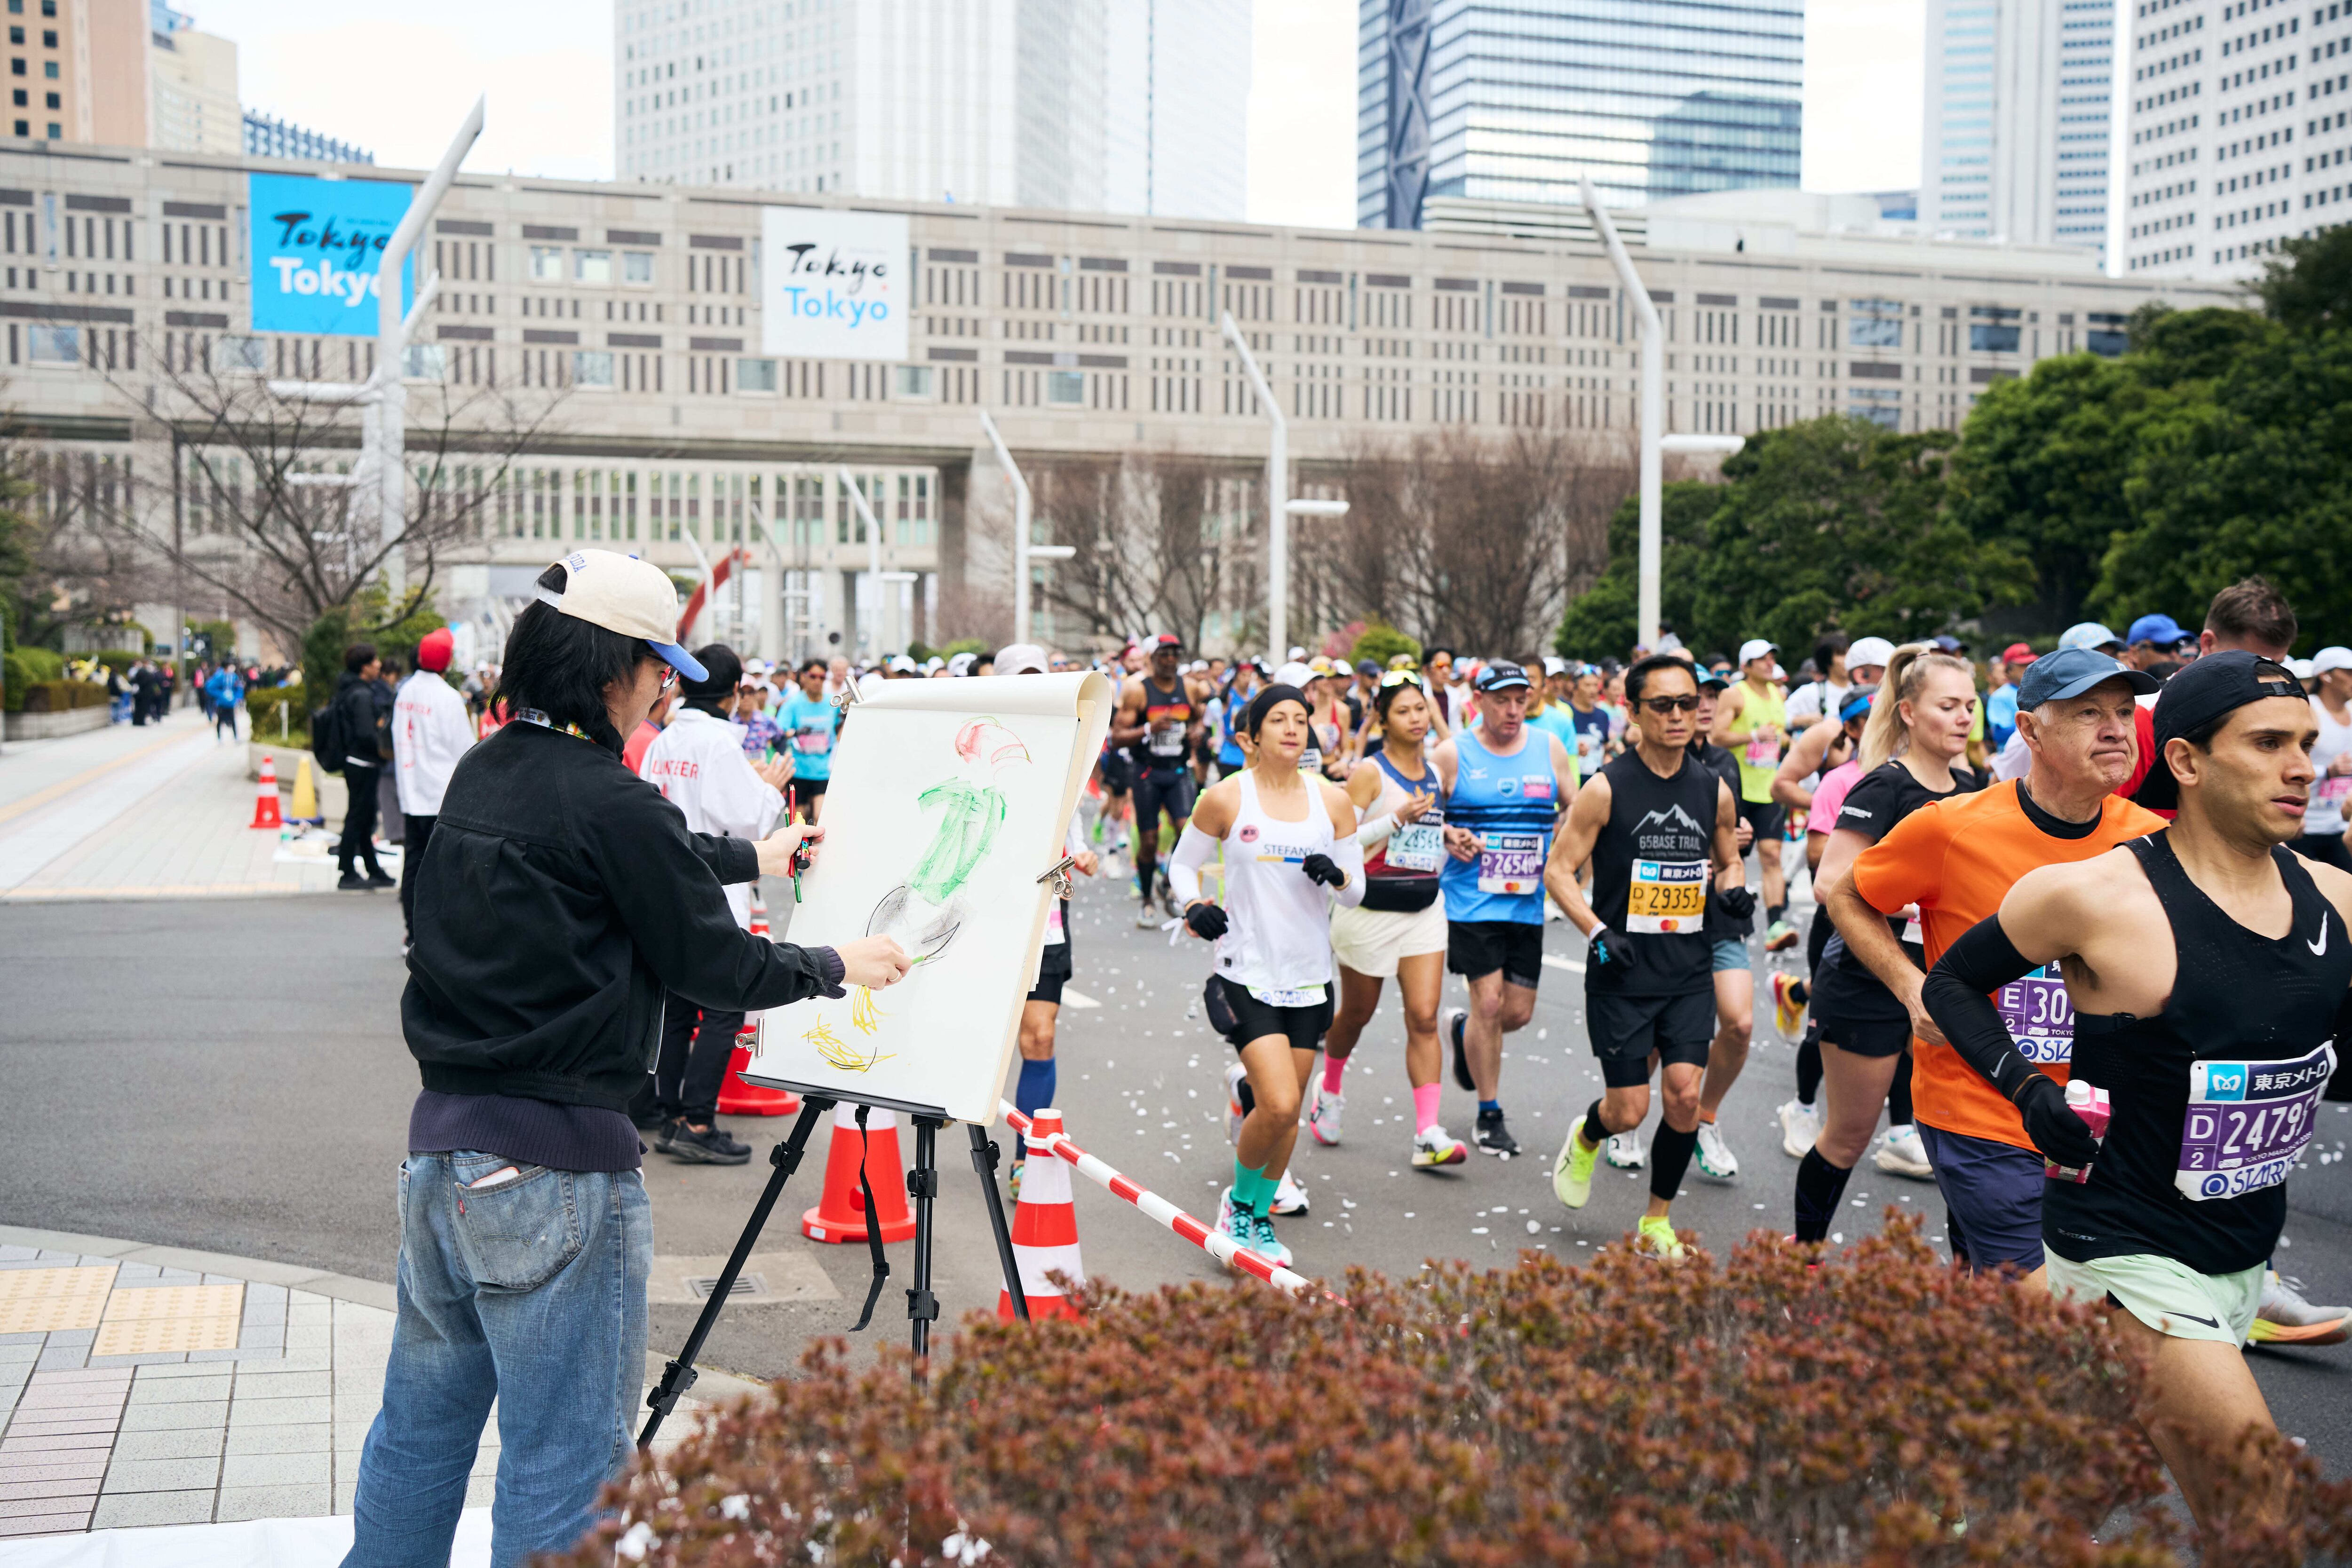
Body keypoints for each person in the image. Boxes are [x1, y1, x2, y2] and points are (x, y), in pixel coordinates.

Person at [347, 549, 912, 1568]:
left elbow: (625, 857)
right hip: (556, 1168)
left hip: (440, 1158)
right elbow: (713, 961)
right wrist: (836, 963)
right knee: (564, 1457)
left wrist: (754, 855)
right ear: (612, 667)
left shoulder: (490, 768)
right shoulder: (609, 797)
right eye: (657, 667)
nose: (663, 688)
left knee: (419, 1428)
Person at [1922, 651, 2352, 1529]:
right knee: (2260, 1511)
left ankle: (1956, 1458)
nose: (2303, 768)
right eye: (2268, 743)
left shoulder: (2337, 898)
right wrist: (2027, 1091)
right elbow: (1951, 983)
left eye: (2307, 743)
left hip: (2243, 1249)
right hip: (2128, 1249)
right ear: (2186, 760)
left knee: (2067, 1471)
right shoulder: (2096, 895)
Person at [1830, 645, 2163, 1279]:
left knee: (2008, 1296)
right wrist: (1909, 985)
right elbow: (1847, 894)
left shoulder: (2150, 841)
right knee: (2047, 1298)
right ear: (2030, 731)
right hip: (1978, 1109)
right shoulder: (1950, 828)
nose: (2116, 729)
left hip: (2099, 1116)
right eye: (2089, 713)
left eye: (2124, 712)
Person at [1546, 655, 1746, 1259]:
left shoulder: (1712, 788)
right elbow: (1558, 871)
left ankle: (1656, 1219)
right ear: (1632, 712)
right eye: (1662, 705)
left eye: (1688, 702)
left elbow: (1729, 858)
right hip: (1622, 971)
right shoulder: (1605, 788)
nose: (1679, 715)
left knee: (1684, 1095)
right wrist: (1595, 930)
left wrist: (1732, 889)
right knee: (1628, 1110)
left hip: (1687, 971)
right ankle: (1588, 1135)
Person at [1168, 683, 1366, 1268]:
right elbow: (1181, 865)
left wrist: (1336, 875)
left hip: (1308, 975)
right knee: (1277, 1104)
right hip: (1245, 970)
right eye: (1277, 719)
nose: (1291, 728)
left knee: (1288, 1113)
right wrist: (1192, 905)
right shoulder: (1226, 797)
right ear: (1249, 737)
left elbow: (1355, 892)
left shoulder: (1332, 802)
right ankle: (1236, 1205)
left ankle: (1256, 1216)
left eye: (1300, 719)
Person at [1791, 647, 1986, 1239]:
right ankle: (1802, 1257)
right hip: (1867, 980)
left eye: (1969, 706)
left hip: (1948, 983)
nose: (1962, 718)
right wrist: (1922, 901)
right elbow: (1829, 883)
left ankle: (1971, 1275)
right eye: (1947, 706)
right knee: (1848, 1135)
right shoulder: (1882, 786)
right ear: (1907, 711)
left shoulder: (1973, 787)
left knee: (1959, 1139)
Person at [634, 643, 800, 1164]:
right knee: (726, 1006)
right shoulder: (719, 744)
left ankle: (669, 1112)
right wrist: (768, 788)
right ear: (733, 693)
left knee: (679, 1007)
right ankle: (697, 1121)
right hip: (712, 887)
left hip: (664, 886)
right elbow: (748, 822)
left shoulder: (664, 740)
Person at [1313, 673, 1468, 1168]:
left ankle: (1428, 1133)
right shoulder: (1369, 772)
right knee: (1357, 1014)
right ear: (1382, 718)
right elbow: (1341, 840)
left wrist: (1448, 834)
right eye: (1403, 711)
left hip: (1423, 908)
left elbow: (1426, 828)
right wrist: (1394, 820)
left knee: (1423, 1016)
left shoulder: (1435, 771)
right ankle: (1329, 1089)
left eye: (1420, 708)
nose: (1416, 719)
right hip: (1369, 910)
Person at [1435, 662, 1580, 1157]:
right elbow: (1421, 814)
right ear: (1479, 701)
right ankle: (1489, 1112)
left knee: (1515, 1013)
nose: (1513, 710)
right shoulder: (1452, 753)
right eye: (1502, 700)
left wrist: (1564, 842)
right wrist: (1447, 833)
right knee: (1491, 1005)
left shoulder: (1548, 747)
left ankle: (1463, 1033)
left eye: (1521, 700)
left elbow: (1575, 805)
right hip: (1470, 900)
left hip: (1526, 900)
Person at [996, 643, 1101, 1198]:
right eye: (1022, 680)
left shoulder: (1070, 746)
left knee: (1038, 1036)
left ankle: (1025, 1157)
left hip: (1046, 917)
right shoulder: (978, 741)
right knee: (979, 1033)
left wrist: (1082, 854)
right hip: (986, 917)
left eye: (1039, 679)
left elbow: (1072, 827)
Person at [1770, 684, 1875, 1158]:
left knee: (1899, 1024)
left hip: (1903, 924)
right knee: (1826, 1021)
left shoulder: (1917, 778)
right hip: (1838, 919)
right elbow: (1818, 858)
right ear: (1851, 728)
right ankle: (1803, 1106)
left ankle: (1900, 1130)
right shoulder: (1839, 781)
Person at [391, 629, 476, 955]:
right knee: (442, 869)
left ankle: (412, 934)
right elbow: (465, 750)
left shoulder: (405, 692)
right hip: (442, 795)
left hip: (411, 791)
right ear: (448, 661)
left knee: (413, 864)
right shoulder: (449, 698)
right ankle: (436, 936)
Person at [1711, 638, 1797, 949]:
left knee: (1772, 855)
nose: (1770, 663)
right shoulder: (1735, 694)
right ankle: (1726, 919)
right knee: (1731, 856)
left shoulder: (1777, 694)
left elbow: (1777, 734)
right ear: (1746, 666)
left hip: (1769, 789)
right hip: (1737, 790)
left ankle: (1775, 924)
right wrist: (1752, 736)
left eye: (1772, 657)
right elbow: (1716, 736)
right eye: (1763, 659)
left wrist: (1793, 745)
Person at [1113, 634, 1203, 925]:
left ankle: (1167, 882)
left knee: (1186, 830)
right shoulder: (1138, 690)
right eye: (1164, 654)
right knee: (1149, 841)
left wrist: (1197, 733)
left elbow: (1199, 720)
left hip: (1178, 770)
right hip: (1147, 773)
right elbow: (1117, 738)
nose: (1170, 660)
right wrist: (1150, 729)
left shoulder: (1190, 688)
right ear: (1152, 658)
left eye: (1174, 654)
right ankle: (1147, 899)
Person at [331, 644, 396, 893]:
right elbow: (366, 734)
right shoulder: (361, 695)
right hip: (362, 764)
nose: (379, 665)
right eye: (374, 661)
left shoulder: (353, 690)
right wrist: (383, 740)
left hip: (358, 763)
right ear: (364, 667)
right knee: (358, 818)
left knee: (365, 817)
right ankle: (347, 871)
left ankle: (373, 869)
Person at [2296, 645, 2352, 870]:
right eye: (2348, 672)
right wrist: (2327, 771)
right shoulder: (2308, 709)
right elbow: (2285, 763)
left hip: (2341, 825)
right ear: (2325, 675)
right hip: (2305, 825)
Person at [778, 658, 842, 821]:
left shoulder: (832, 703)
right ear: (804, 677)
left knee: (821, 817)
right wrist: (795, 733)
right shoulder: (793, 704)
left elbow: (841, 728)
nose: (817, 681)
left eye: (822, 677)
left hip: (823, 770)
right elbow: (780, 730)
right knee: (798, 821)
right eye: (813, 676)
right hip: (798, 770)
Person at [204, 658, 244, 743]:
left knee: (233, 720)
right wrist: (221, 695)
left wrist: (237, 698)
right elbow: (210, 687)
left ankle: (236, 737)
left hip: (231, 703)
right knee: (220, 721)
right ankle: (219, 739)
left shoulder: (234, 677)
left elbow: (239, 688)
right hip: (221, 703)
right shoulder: (219, 676)